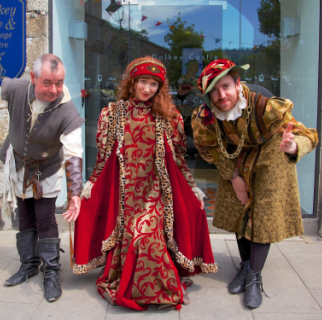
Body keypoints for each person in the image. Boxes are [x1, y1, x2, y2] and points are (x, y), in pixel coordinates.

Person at [70, 56, 217, 311]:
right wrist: (89, 187)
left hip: (156, 196)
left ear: (160, 88)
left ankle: (163, 290)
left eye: (153, 84)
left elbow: (178, 159)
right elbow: (103, 158)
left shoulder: (169, 116)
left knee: (147, 240)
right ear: (132, 82)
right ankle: (158, 289)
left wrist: (192, 187)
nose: (147, 89)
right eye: (143, 81)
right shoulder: (112, 114)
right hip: (125, 198)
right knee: (136, 237)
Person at [0, 54, 85, 303]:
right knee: (24, 215)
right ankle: (29, 265)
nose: (54, 89)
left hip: (47, 169)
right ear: (32, 78)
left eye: (59, 82)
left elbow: (74, 154)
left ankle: (51, 272)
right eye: (47, 83)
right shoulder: (18, 89)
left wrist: (75, 194)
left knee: (45, 218)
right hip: (18, 164)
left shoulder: (67, 110)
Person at [191, 59, 318, 309]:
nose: (221, 95)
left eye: (226, 86)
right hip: (236, 155)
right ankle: (246, 266)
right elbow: (209, 149)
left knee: (263, 214)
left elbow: (307, 135)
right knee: (240, 207)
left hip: (272, 152)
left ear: (238, 83)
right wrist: (234, 177)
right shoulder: (205, 116)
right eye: (214, 91)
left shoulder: (266, 106)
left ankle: (254, 277)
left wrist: (293, 146)